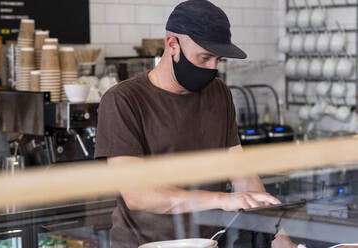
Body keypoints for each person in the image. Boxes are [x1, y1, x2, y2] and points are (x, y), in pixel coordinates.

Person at [95, 0, 283, 247]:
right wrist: (223, 199)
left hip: (207, 243)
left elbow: (243, 174)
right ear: (172, 44)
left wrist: (279, 234)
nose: (213, 68)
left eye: (218, 59)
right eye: (205, 57)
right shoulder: (123, 100)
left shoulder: (219, 93)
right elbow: (138, 195)